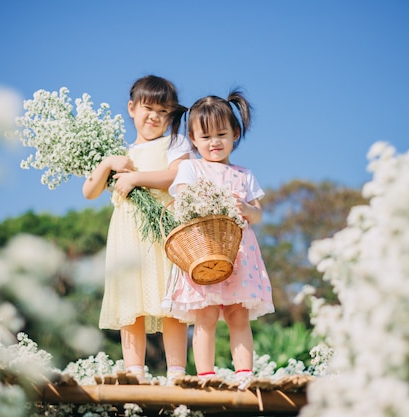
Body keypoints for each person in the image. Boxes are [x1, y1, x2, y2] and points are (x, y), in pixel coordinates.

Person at [82, 75, 193, 383]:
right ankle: (134, 372)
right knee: (131, 301)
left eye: (164, 111)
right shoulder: (121, 154)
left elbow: (177, 175)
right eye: (148, 108)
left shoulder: (175, 142)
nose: (155, 117)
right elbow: (89, 191)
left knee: (170, 301)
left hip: (163, 229)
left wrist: (135, 179)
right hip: (127, 235)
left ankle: (177, 373)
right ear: (132, 108)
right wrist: (107, 164)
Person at [164, 89, 274, 384]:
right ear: (193, 139)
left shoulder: (244, 174)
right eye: (206, 137)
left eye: (221, 134)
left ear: (235, 134)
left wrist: (247, 209)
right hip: (205, 251)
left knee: (239, 315)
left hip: (240, 253)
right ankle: (206, 375)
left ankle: (244, 374)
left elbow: (259, 213)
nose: (214, 143)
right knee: (206, 315)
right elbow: (183, 199)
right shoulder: (190, 167)